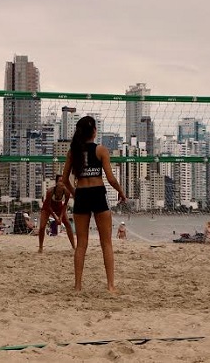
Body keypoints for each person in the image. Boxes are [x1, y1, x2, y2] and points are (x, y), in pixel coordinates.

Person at [62, 116, 127, 293]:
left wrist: (76, 194)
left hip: (82, 194)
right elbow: (110, 178)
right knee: (106, 242)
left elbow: (64, 179)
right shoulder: (101, 150)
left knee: (81, 243)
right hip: (98, 193)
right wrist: (121, 192)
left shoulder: (73, 152)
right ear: (94, 131)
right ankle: (111, 286)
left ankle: (77, 286)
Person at [38, 175, 76, 252]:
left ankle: (73, 246)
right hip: (47, 207)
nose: (62, 183)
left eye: (63, 181)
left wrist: (61, 218)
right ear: (56, 183)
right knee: (42, 227)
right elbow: (48, 206)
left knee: (68, 224)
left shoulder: (67, 192)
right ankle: (40, 247)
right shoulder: (50, 191)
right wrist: (56, 218)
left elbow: (65, 205)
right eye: (60, 181)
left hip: (59, 207)